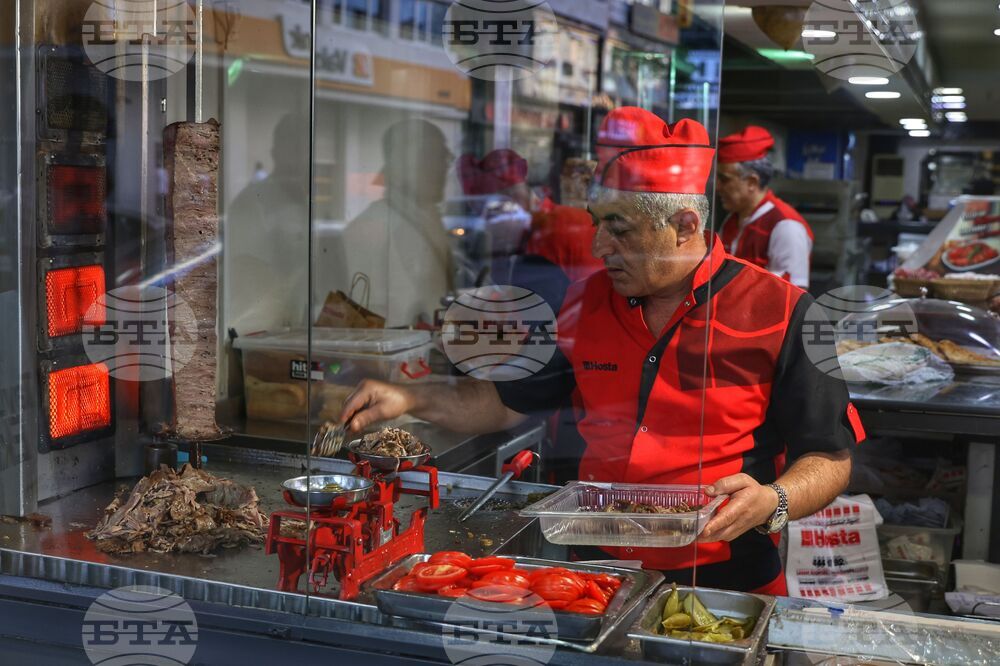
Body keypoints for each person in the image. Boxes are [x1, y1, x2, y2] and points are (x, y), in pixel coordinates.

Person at [338, 108, 865, 594]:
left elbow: (829, 456)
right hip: (593, 575)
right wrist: (409, 398)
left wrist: (774, 502)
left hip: (725, 579)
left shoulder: (788, 311)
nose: (597, 247)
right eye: (596, 223)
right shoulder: (587, 301)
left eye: (619, 229)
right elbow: (504, 400)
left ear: (684, 226)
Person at [337, 119, 455, 327]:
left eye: (445, 157)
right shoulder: (372, 228)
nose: (444, 166)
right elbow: (367, 327)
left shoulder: (428, 217)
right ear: (403, 164)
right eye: (435, 157)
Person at [716, 126, 814, 289]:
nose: (718, 187)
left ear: (752, 182)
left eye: (724, 180)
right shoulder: (732, 220)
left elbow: (792, 295)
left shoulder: (785, 226)